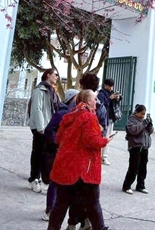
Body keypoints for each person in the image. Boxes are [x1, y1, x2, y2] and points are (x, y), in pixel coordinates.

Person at [47, 90, 110, 230]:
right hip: (84, 169)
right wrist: (105, 140)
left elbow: (58, 139)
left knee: (60, 204)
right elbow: (91, 141)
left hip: (65, 167)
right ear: (87, 101)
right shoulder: (89, 117)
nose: (96, 101)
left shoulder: (69, 116)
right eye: (94, 99)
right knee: (93, 203)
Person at [42, 89, 79, 224]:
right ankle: (49, 209)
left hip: (67, 152)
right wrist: (57, 143)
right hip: (58, 151)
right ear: (71, 99)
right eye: (76, 98)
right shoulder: (62, 113)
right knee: (55, 181)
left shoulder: (74, 113)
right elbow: (49, 130)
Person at [28, 68, 59, 193]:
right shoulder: (39, 90)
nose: (57, 77)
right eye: (55, 74)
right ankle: (34, 179)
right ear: (48, 75)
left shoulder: (52, 91)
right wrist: (40, 127)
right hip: (41, 127)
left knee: (46, 155)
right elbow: (37, 109)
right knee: (38, 154)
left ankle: (43, 179)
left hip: (49, 127)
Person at [122, 104, 154, 195]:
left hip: (145, 147)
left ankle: (140, 185)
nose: (143, 116)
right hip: (135, 147)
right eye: (141, 114)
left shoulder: (144, 121)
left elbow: (150, 131)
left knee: (143, 168)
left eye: (144, 114)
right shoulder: (131, 120)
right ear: (136, 112)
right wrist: (143, 124)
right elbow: (134, 130)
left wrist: (150, 125)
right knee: (133, 167)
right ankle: (127, 186)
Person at [97, 78, 121, 166]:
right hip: (104, 119)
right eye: (109, 86)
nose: (111, 88)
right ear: (105, 85)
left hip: (111, 118)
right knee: (103, 137)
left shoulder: (112, 93)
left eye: (112, 86)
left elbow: (116, 104)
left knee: (108, 137)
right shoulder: (101, 94)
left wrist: (117, 98)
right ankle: (101, 156)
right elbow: (101, 105)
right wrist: (109, 99)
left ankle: (104, 156)